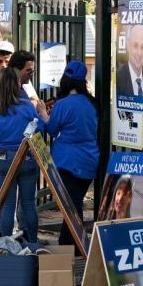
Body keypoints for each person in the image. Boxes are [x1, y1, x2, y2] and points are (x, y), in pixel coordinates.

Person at [0, 67, 42, 247]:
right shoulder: (27, 107)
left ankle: (7, 246)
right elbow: (37, 129)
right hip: (27, 158)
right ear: (16, 84)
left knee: (7, 206)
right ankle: (33, 244)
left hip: (3, 159)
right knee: (29, 204)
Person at [45, 61, 98, 245]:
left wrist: (44, 114)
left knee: (72, 206)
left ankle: (73, 245)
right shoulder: (92, 104)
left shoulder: (62, 104)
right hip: (90, 160)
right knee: (74, 203)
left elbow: (51, 130)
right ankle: (67, 242)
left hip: (67, 161)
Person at [115, 24, 143, 99]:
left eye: (142, 47)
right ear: (128, 46)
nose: (139, 53)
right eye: (135, 46)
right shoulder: (118, 78)